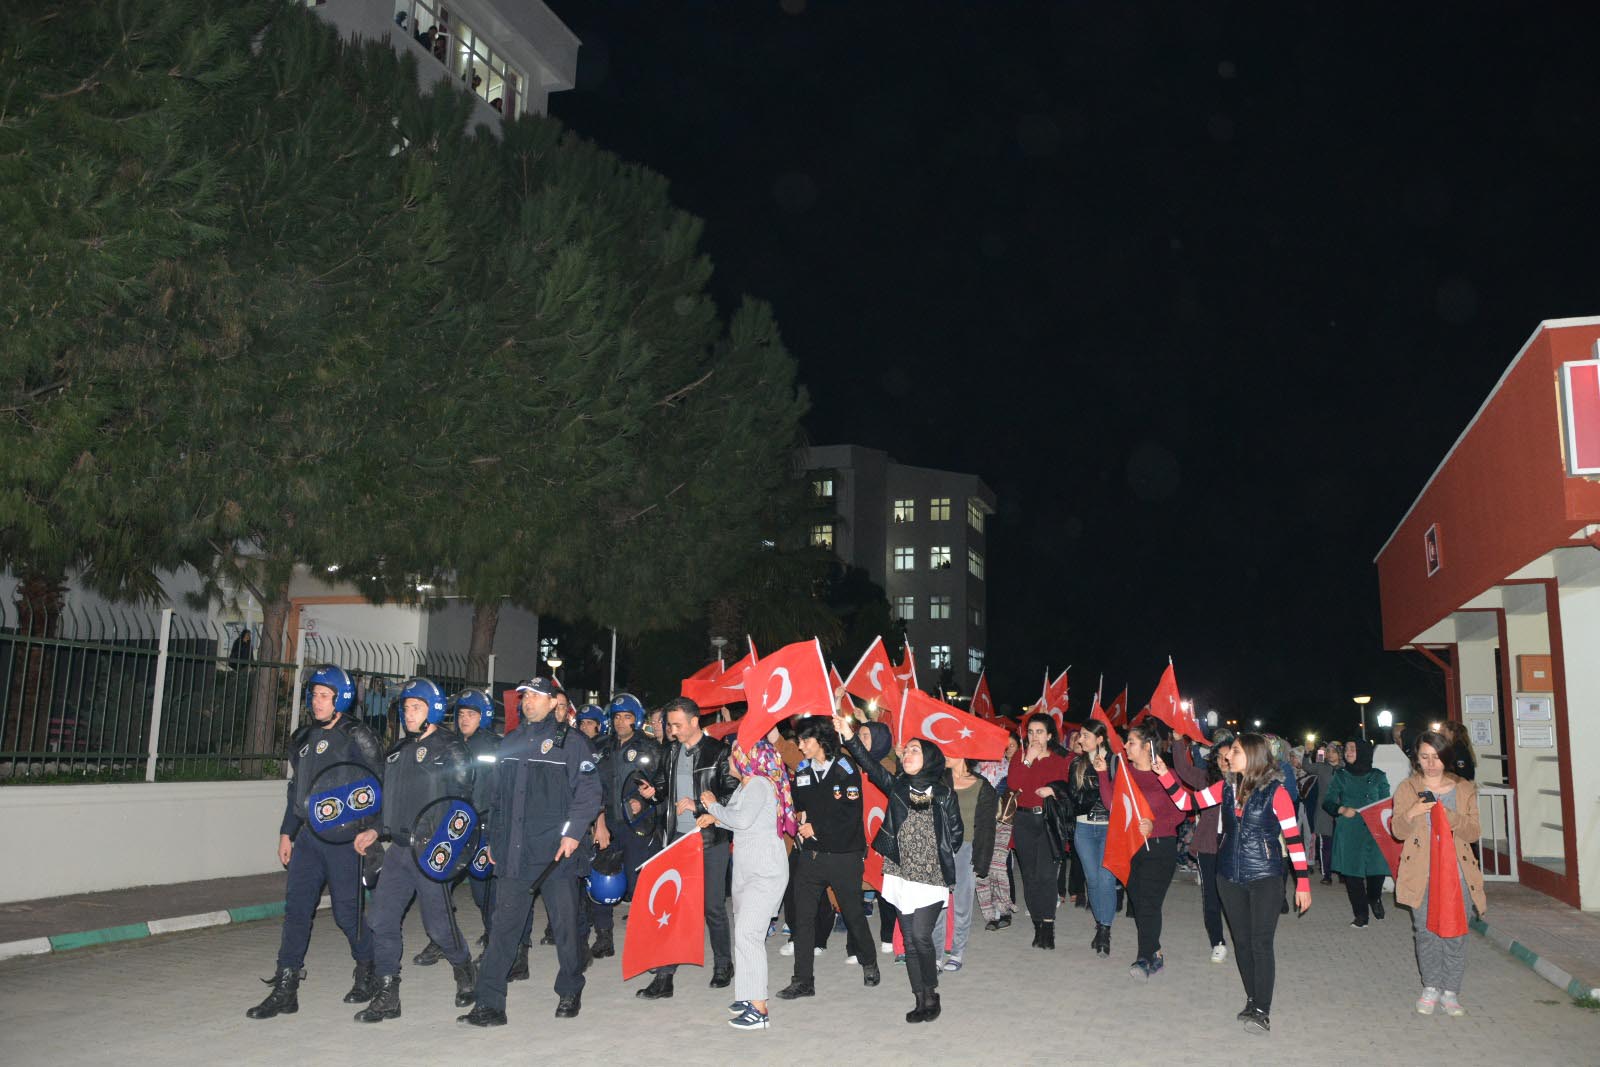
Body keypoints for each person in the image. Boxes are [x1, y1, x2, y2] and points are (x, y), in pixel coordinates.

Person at [459, 677, 600, 1025]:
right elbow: (498, 797)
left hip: (555, 855)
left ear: (554, 702)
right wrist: (494, 838)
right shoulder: (512, 741)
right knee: (503, 925)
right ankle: (490, 1004)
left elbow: (590, 792)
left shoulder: (572, 743)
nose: (529, 702)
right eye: (525, 697)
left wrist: (572, 834)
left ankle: (570, 988)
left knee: (565, 926)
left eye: (537, 696)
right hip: (515, 852)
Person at [247, 664, 383, 1020]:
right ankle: (285, 988)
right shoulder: (302, 738)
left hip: (345, 840)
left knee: (346, 914)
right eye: (315, 695)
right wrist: (286, 831)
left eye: (325, 696)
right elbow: (298, 790)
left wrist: (373, 829)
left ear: (341, 699)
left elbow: (382, 786)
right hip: (309, 839)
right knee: (296, 911)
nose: (317, 702)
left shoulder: (358, 736)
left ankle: (367, 964)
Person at [1159, 733, 1312, 1035]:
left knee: (1261, 942)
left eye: (1236, 752)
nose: (1228, 757)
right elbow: (1186, 802)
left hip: (1265, 876)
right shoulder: (1225, 788)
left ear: (1253, 756)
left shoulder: (1276, 792)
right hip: (1228, 875)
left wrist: (1303, 884)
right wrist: (1166, 776)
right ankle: (1252, 999)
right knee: (1241, 942)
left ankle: (1262, 1011)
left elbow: (1294, 840)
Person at [353, 678, 476, 1022]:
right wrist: (375, 830)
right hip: (399, 851)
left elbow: (463, 806)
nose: (408, 714)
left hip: (432, 853)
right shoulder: (397, 751)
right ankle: (388, 995)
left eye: (416, 707)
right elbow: (389, 802)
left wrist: (446, 851)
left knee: (438, 927)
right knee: (380, 920)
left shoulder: (451, 749)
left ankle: (464, 968)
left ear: (433, 710)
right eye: (406, 708)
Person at [835, 707, 962, 1024]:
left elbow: (956, 834)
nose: (907, 754)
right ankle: (919, 997)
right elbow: (870, 766)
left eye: (915, 751)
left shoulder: (944, 793)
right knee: (908, 936)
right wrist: (850, 736)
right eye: (906, 751)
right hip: (901, 872)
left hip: (930, 875)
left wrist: (933, 855)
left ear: (929, 757)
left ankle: (932, 994)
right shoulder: (899, 787)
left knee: (920, 936)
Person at [633, 697, 738, 999]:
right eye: (670, 725)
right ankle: (665, 978)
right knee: (671, 908)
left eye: (677, 725)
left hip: (708, 841)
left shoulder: (719, 751)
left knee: (712, 907)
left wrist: (701, 806)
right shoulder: (671, 751)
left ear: (695, 722)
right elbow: (664, 790)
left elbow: (733, 796)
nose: (672, 730)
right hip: (675, 841)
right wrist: (652, 794)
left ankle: (723, 964)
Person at [777, 717, 882, 998]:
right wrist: (799, 821)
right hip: (810, 855)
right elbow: (801, 807)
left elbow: (849, 814)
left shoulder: (845, 768)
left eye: (805, 741)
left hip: (843, 855)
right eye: (798, 741)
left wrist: (817, 827)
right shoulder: (801, 770)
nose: (800, 747)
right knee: (803, 916)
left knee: (853, 913)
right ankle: (803, 980)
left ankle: (869, 961)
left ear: (821, 740)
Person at [698, 739, 795, 1030]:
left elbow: (740, 820)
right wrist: (714, 818)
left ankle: (759, 1008)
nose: (729, 760)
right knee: (745, 934)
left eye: (733, 755)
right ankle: (747, 995)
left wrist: (713, 805)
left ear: (747, 759)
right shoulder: (747, 786)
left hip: (763, 873)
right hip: (749, 871)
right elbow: (743, 822)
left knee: (748, 935)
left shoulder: (758, 785)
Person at [1390, 730, 1488, 1017]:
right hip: (1422, 872)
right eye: (1424, 757)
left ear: (1446, 758)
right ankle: (1431, 987)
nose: (1431, 763)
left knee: (1457, 931)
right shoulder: (1407, 789)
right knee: (1426, 932)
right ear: (1416, 759)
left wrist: (1451, 817)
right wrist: (1413, 812)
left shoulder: (1465, 789)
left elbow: (1474, 831)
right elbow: (1397, 830)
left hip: (1458, 873)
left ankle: (1451, 991)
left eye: (1436, 757)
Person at [413, 687, 501, 968]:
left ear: (483, 716)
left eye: (471, 714)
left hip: (482, 826)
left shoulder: (494, 747)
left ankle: (495, 940)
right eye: (461, 714)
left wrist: (495, 831)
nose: (464, 719)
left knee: (482, 890)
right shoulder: (448, 743)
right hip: (451, 827)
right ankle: (441, 939)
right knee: (439, 885)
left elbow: (503, 791)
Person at [1095, 721, 1186, 978]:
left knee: (1148, 904)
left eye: (1131, 742)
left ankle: (1143, 959)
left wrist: (1155, 823)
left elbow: (1181, 811)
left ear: (1148, 746)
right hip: (1132, 847)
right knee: (1141, 903)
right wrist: (1103, 773)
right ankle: (1155, 952)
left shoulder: (1164, 773)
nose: (1125, 746)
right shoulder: (1125, 772)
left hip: (1160, 846)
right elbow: (1113, 805)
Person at [588, 692, 662, 959]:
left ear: (637, 719)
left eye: (627, 717)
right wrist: (599, 824)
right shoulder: (599, 748)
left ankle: (645, 942)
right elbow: (591, 789)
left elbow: (662, 787)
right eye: (617, 717)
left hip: (639, 828)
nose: (620, 722)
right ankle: (604, 937)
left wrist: (645, 803)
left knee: (640, 886)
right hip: (606, 825)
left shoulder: (650, 747)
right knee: (600, 883)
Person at [1005, 713, 1074, 949]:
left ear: (1050, 735)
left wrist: (1054, 790)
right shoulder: (1020, 756)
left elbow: (1072, 787)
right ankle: (1038, 926)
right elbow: (1014, 785)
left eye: (1040, 732)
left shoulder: (1063, 758)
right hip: (1024, 821)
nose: (1035, 736)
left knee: (1046, 876)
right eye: (1031, 732)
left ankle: (1049, 925)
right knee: (1030, 877)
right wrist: (1027, 760)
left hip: (1048, 821)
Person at [1170, 730, 1233, 963]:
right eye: (1219, 757)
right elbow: (1184, 771)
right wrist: (1178, 741)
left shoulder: (1247, 783)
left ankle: (1243, 937)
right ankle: (1217, 942)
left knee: (1233, 895)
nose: (1224, 762)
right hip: (1209, 845)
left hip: (1234, 846)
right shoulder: (1208, 779)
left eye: (1229, 756)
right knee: (1211, 896)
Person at [932, 756, 996, 971]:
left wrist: (982, 862)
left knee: (961, 903)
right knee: (937, 904)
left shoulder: (982, 786)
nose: (944, 755)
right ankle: (936, 955)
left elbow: (987, 828)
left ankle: (957, 951)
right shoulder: (938, 780)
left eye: (950, 751)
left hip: (967, 848)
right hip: (940, 847)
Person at [1323, 739, 1392, 929]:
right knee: (1353, 875)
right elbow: (1327, 801)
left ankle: (1374, 897)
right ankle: (1361, 915)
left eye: (1353, 749)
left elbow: (1387, 802)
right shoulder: (1341, 776)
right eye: (1346, 749)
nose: (1348, 752)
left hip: (1374, 830)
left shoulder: (1378, 776)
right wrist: (1341, 809)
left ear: (1363, 752)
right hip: (1350, 830)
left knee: (1376, 871)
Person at [974, 734, 1017, 931]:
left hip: (1003, 822)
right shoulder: (973, 768)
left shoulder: (1010, 767)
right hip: (980, 823)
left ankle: (1004, 908)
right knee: (981, 870)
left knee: (999, 866)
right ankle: (990, 915)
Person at [1308, 740, 1341, 884]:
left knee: (1341, 843)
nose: (1329, 754)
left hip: (1342, 810)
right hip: (1324, 811)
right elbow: (1306, 767)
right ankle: (1326, 875)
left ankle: (1342, 874)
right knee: (1325, 843)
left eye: (1333, 751)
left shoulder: (1345, 768)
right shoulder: (1322, 767)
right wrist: (1307, 752)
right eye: (1327, 751)